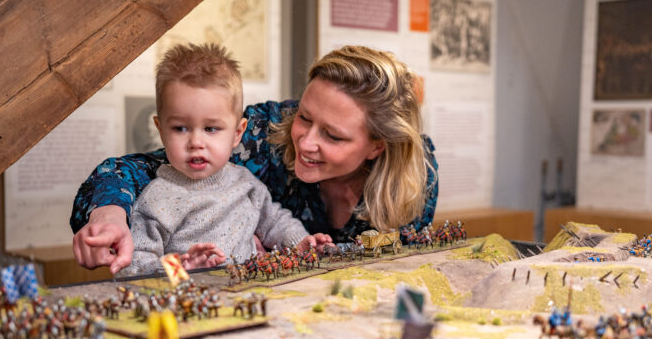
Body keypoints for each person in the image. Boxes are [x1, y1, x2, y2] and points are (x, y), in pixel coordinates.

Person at [71, 45, 438, 273]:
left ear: (377, 147)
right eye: (305, 117)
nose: (305, 141)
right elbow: (134, 171)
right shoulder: (263, 132)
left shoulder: (417, 178)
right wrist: (109, 214)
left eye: (333, 135)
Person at [116, 43, 327, 276]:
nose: (196, 141)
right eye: (180, 128)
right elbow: (133, 266)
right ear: (161, 130)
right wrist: (180, 270)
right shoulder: (157, 199)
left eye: (211, 128)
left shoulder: (244, 182)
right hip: (191, 304)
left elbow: (274, 221)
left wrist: (301, 242)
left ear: (237, 133)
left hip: (247, 295)